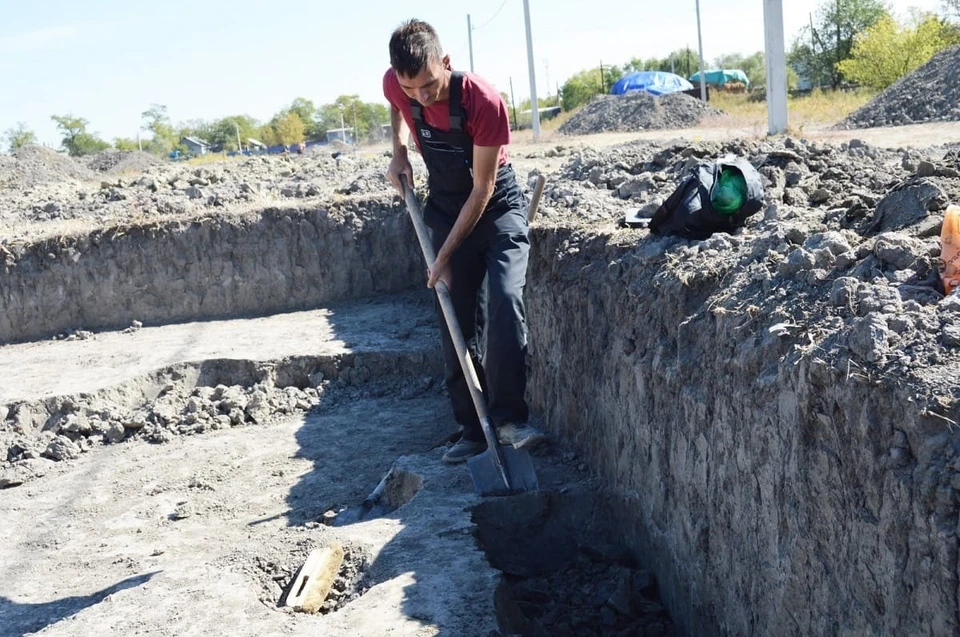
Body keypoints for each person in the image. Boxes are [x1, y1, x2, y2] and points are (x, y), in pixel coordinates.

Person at [383, 18, 546, 464]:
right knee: (452, 312)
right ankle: (473, 430)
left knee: (506, 298)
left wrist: (445, 254)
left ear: (448, 64)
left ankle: (511, 419)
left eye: (430, 85)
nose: (421, 96)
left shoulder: (483, 100)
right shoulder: (399, 86)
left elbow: (483, 189)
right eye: (410, 87)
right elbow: (395, 106)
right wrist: (399, 153)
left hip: (495, 207)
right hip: (444, 203)